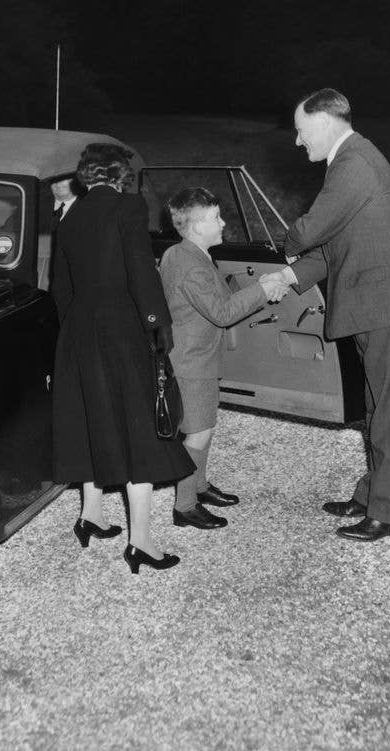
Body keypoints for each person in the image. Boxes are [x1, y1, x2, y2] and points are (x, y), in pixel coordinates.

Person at [260, 88, 390, 542]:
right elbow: (333, 247)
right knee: (380, 407)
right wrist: (290, 278)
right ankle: (373, 494)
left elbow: (312, 229)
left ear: (323, 122)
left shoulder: (354, 162)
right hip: (382, 307)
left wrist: (285, 245)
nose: (298, 143)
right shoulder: (353, 163)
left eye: (301, 132)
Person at [51, 142, 194, 573]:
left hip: (78, 330)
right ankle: (141, 542)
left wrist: (68, 332)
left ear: (85, 176)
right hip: (120, 328)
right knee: (139, 430)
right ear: (120, 176)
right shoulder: (128, 208)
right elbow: (139, 271)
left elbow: (61, 285)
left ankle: (90, 515)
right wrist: (158, 325)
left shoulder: (70, 216)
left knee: (94, 418)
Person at [160, 188, 282, 530]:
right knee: (197, 435)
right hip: (192, 362)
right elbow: (222, 312)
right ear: (197, 226)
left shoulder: (182, 253)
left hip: (196, 357)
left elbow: (218, 296)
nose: (223, 222)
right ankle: (184, 507)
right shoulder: (192, 265)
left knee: (206, 426)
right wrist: (263, 290)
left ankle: (198, 486)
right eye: (216, 217)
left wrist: (258, 285)